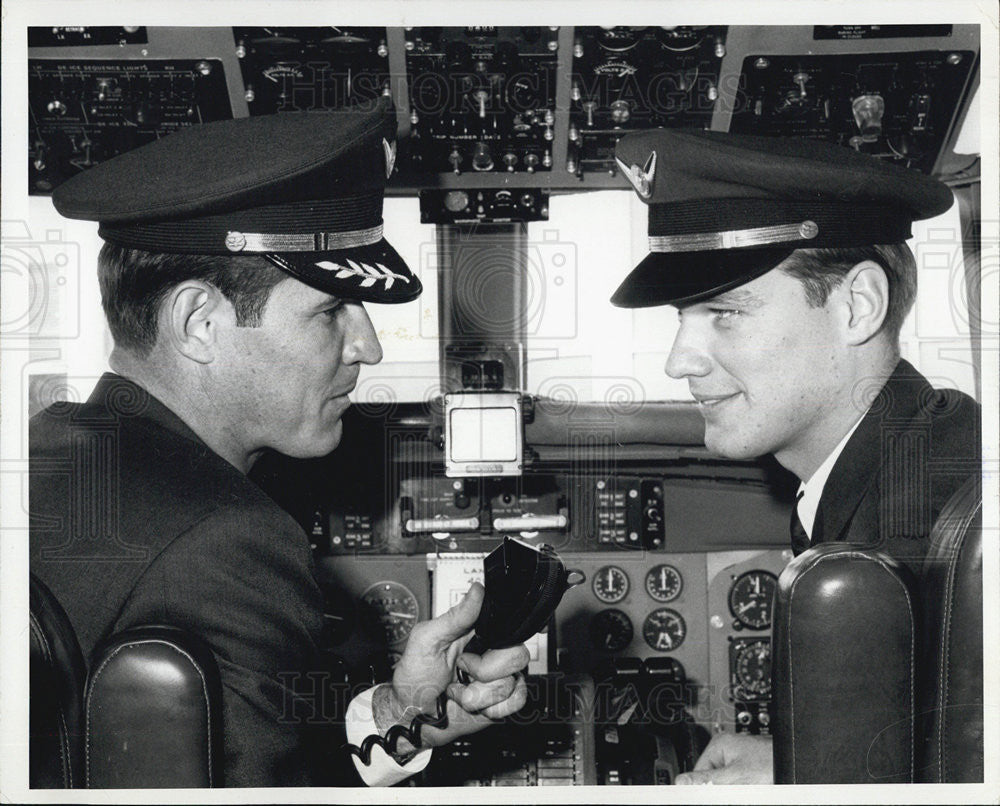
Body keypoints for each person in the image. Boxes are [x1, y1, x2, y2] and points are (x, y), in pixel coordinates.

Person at [29, 97, 529, 787]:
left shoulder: (48, 453)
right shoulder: (225, 542)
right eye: (330, 312)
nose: (370, 347)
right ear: (199, 322)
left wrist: (400, 711)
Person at [610, 130, 981, 784]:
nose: (679, 361)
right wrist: (799, 768)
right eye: (681, 317)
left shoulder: (911, 531)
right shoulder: (901, 462)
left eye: (724, 312)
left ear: (857, 307)